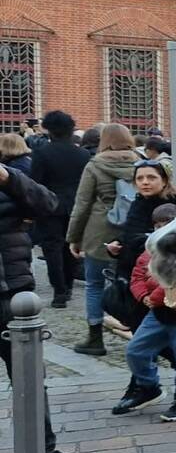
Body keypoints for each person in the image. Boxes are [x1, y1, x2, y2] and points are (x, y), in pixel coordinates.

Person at [0, 157, 87, 453]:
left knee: (31, 381)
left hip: (15, 298)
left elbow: (49, 204)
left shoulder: (11, 180)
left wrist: (8, 178)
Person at [112, 204, 176, 422]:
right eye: (158, 226)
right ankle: (149, 387)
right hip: (157, 315)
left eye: (168, 225)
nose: (162, 230)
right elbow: (137, 276)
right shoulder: (149, 251)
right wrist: (142, 296)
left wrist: (152, 297)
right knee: (136, 351)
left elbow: (174, 281)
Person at [66, 124, 139, 354]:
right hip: (133, 231)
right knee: (133, 286)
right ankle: (141, 338)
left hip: (99, 232)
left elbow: (82, 204)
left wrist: (74, 237)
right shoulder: (140, 162)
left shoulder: (95, 165)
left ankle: (95, 337)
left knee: (95, 285)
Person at [105, 161, 176, 331]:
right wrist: (117, 244)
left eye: (151, 177)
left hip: (161, 279)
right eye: (140, 178)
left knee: (157, 330)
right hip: (135, 278)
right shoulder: (139, 202)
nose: (145, 182)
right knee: (140, 328)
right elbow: (130, 233)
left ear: (164, 180)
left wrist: (136, 241)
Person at [30, 111, 91, 308]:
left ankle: (59, 291)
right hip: (75, 205)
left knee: (52, 249)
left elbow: (35, 183)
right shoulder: (83, 154)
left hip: (50, 206)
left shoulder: (41, 153)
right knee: (70, 247)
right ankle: (69, 286)